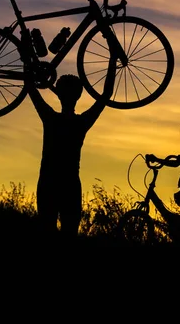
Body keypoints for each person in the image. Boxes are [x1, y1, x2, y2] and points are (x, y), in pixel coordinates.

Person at [26, 42, 118, 238]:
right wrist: (112, 59)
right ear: (78, 96)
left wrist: (25, 54)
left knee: (46, 232)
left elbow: (30, 88)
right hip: (69, 184)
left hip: (48, 182)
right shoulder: (81, 123)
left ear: (58, 94)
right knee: (69, 236)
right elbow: (106, 95)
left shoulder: (50, 118)